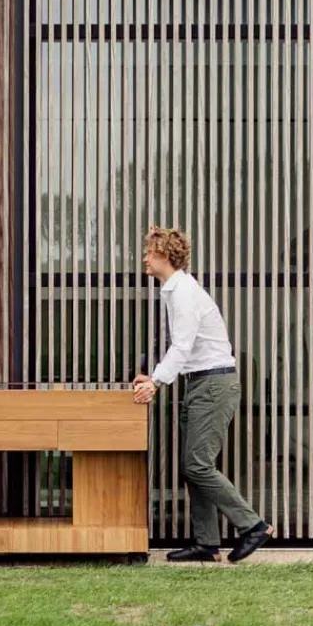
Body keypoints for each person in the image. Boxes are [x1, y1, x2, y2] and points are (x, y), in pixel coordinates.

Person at [133, 225, 273, 563]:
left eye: (149, 253)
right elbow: (181, 348)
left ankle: (252, 525)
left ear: (164, 255)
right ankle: (206, 543)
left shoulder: (183, 293)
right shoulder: (173, 290)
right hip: (200, 383)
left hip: (213, 384)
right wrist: (156, 375)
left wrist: (156, 381)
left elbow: (182, 346)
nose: (144, 258)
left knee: (196, 464)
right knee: (195, 464)